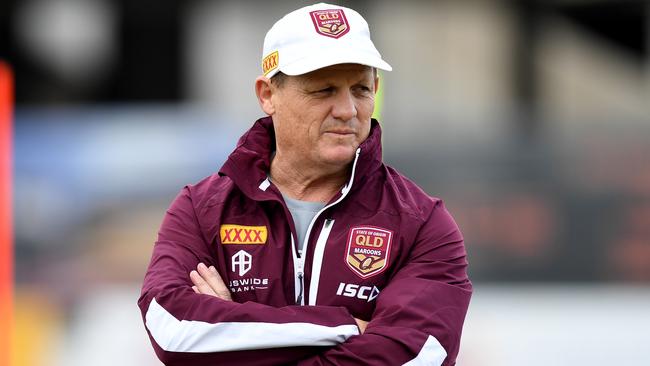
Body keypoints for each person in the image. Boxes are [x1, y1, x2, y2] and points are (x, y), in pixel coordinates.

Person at [138, 3, 472, 365]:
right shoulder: (202, 209)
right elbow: (172, 328)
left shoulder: (422, 222)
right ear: (268, 95)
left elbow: (417, 354)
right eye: (323, 90)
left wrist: (237, 330)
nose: (347, 110)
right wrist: (347, 328)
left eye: (360, 89)